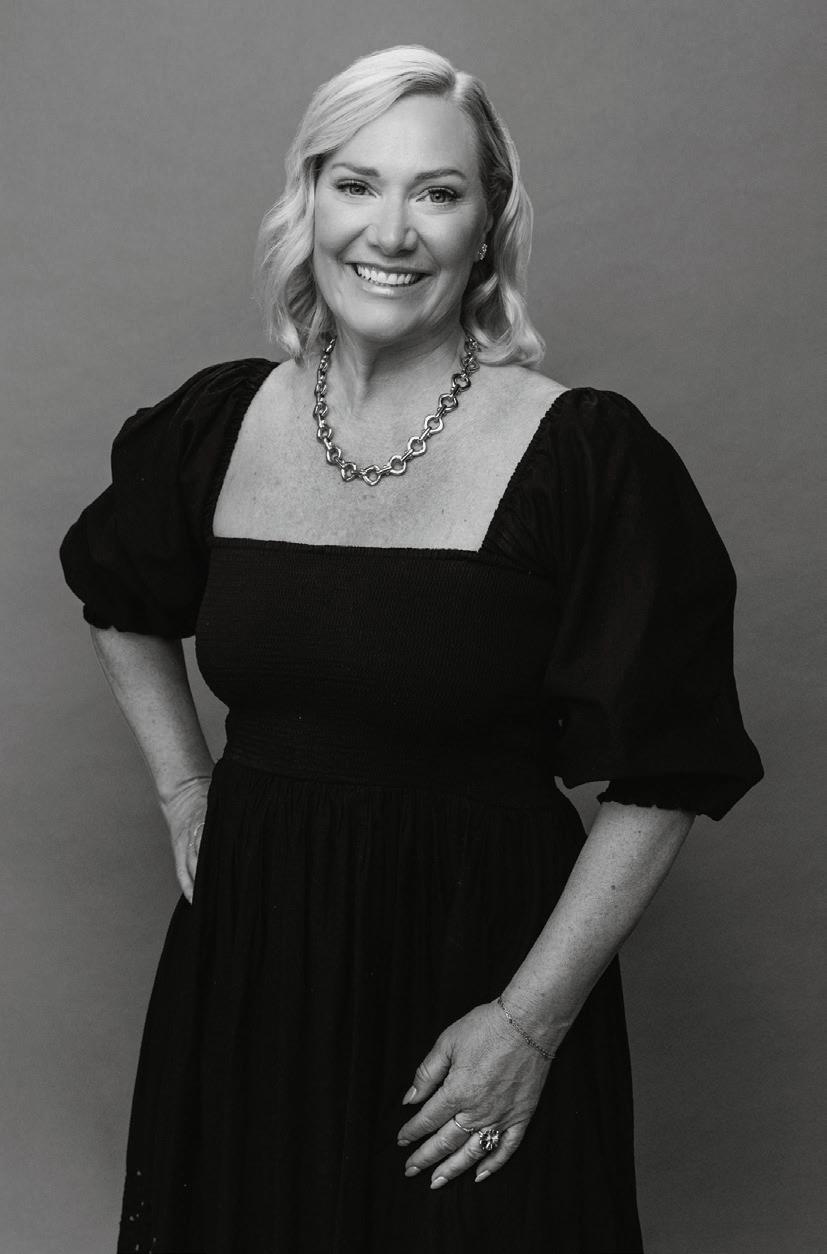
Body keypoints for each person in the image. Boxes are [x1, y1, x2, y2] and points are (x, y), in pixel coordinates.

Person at [59, 44, 764, 1254]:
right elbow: (119, 594)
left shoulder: (584, 456)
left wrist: (528, 1024)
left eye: (436, 192)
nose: (390, 231)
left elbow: (665, 768)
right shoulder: (216, 424)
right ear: (309, 200)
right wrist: (185, 790)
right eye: (356, 184)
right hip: (252, 965)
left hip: (481, 973)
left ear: (487, 226)